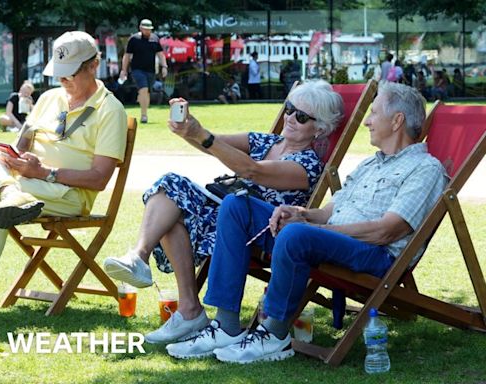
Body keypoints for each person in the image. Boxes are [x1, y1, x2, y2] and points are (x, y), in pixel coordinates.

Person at [165, 81, 448, 363]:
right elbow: (327, 211)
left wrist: (313, 229)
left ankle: (274, 335)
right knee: (237, 205)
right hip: (331, 238)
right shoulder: (371, 165)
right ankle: (225, 326)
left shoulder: (425, 169)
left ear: (397, 120)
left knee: (296, 235)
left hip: (373, 253)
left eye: (374, 114)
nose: (368, 122)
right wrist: (299, 213)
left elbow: (386, 231)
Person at [103, 80, 345, 345]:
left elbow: (252, 170)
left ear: (319, 129)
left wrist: (202, 135)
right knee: (169, 189)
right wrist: (189, 130)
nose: (290, 118)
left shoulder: (308, 166)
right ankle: (142, 259)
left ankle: (189, 311)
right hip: (228, 214)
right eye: (289, 108)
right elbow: (215, 144)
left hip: (258, 230)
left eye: (301, 117)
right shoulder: (266, 141)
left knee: (174, 212)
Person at [0, 31, 127, 325]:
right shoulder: (48, 98)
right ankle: (8, 191)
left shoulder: (110, 109)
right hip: (26, 183)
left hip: (68, 195)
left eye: (70, 74)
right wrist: (13, 158)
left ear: (94, 65)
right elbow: (23, 143)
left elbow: (99, 179)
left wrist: (44, 172)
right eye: (59, 74)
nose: (63, 81)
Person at [119, 19, 168, 124]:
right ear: (141, 28)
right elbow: (127, 56)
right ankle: (144, 115)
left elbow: (160, 54)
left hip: (150, 71)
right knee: (144, 89)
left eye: (149, 30)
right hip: (137, 70)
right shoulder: (134, 39)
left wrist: (164, 66)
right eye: (145, 29)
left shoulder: (155, 39)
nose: (148, 31)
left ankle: (141, 97)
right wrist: (124, 70)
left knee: (146, 92)